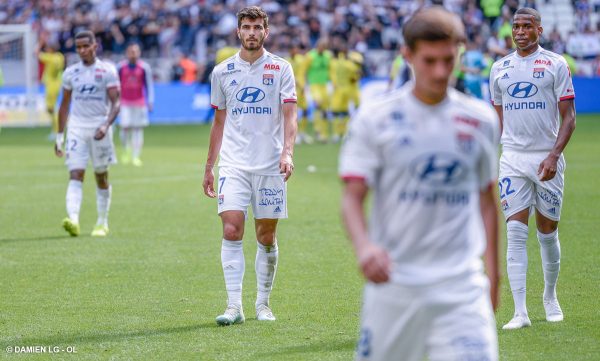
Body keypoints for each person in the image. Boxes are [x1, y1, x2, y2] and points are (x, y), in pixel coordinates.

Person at [339, 7, 500, 361]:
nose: (441, 72)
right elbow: (352, 198)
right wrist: (365, 247)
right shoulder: (375, 119)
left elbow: (487, 200)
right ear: (407, 55)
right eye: (429, 61)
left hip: (462, 286)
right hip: (395, 286)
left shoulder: (481, 120)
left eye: (449, 59)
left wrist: (494, 276)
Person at [202, 6, 297, 326]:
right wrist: (209, 166)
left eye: (258, 27)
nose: (252, 32)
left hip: (270, 165)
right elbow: (218, 121)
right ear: (238, 32)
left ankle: (263, 304)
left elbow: (290, 115)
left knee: (266, 237)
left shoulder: (281, 68)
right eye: (246, 27)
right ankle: (233, 306)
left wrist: (287, 153)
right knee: (231, 229)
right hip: (234, 165)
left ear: (266, 32)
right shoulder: (222, 71)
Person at [489, 7, 576, 330]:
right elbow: (498, 120)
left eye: (527, 26)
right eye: (516, 26)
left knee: (547, 233)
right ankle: (520, 312)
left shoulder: (555, 64)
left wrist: (553, 156)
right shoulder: (499, 69)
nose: (520, 31)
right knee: (514, 231)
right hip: (512, 158)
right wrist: (489, 155)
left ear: (539, 30)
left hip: (546, 157)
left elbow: (570, 118)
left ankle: (550, 297)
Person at [55, 30, 121, 237]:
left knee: (101, 176)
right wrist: (59, 136)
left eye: (86, 46)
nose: (82, 50)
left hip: (99, 128)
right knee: (75, 174)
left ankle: (102, 222)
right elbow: (64, 105)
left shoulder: (107, 70)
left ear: (95, 46)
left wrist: (106, 125)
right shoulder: (70, 73)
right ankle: (73, 219)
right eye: (78, 47)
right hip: (76, 128)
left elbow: (116, 102)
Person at [117, 42, 154, 167]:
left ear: (139, 53)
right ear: (127, 53)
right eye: (131, 52)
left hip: (139, 103)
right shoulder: (121, 67)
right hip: (124, 102)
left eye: (135, 51)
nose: (133, 54)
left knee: (138, 129)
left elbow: (149, 85)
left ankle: (135, 156)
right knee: (124, 127)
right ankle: (126, 151)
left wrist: (150, 101)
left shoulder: (144, 67)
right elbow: (116, 85)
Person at [305, 38, 332, 142]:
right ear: (317, 46)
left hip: (324, 85)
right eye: (321, 47)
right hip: (314, 84)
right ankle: (317, 129)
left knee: (325, 109)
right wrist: (304, 83)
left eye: (324, 47)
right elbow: (304, 70)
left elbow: (331, 69)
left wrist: (333, 82)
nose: (322, 49)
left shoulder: (328, 56)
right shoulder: (310, 56)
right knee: (318, 102)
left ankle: (323, 133)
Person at [38, 41, 65, 140]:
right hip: (57, 83)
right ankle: (57, 129)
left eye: (47, 48)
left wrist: (40, 42)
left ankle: (57, 131)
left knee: (50, 108)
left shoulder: (50, 58)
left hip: (51, 86)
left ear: (51, 50)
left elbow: (36, 53)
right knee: (52, 108)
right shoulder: (60, 56)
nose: (46, 50)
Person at [288, 42, 312, 144]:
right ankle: (294, 135)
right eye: (294, 49)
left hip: (301, 89)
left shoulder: (301, 59)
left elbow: (305, 71)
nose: (296, 51)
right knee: (293, 113)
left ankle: (302, 132)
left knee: (305, 110)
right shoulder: (286, 61)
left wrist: (304, 84)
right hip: (291, 89)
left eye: (297, 49)